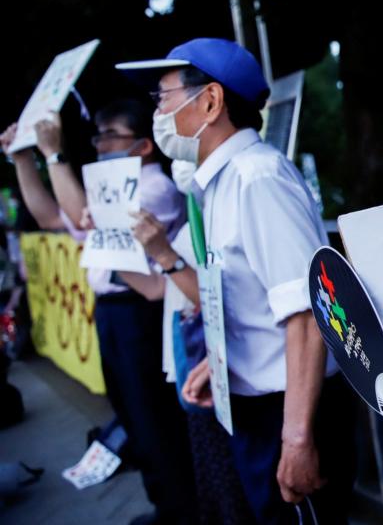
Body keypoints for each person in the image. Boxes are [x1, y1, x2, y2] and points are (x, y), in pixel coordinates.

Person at [116, 38, 355, 524]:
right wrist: (225, 366)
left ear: (210, 100)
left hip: (289, 413)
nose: (158, 114)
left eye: (162, 97)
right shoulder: (222, 183)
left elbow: (309, 314)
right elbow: (247, 303)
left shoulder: (258, 178)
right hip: (262, 407)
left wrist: (297, 438)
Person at [1, 100, 197, 525]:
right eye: (99, 135)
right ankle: (165, 505)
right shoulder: (113, 185)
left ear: (144, 145)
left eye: (112, 135)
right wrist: (22, 158)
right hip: (112, 310)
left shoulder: (154, 187)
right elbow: (52, 216)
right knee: (132, 415)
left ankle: (182, 510)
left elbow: (74, 215)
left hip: (141, 312)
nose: (101, 143)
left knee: (154, 418)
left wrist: (54, 154)